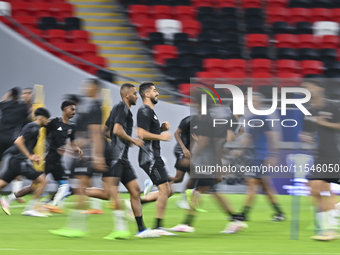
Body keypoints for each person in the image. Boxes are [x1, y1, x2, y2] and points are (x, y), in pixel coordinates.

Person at [85, 83, 160, 239]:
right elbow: (117, 130)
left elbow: (106, 130)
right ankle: (76, 191)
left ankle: (141, 229)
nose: (136, 96)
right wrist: (131, 139)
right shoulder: (122, 108)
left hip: (122, 158)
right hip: (115, 158)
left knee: (135, 191)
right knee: (109, 194)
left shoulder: (120, 109)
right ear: (126, 95)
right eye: (134, 93)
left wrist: (119, 141)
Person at [50, 78, 107, 237]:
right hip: (84, 154)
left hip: (87, 155)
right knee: (84, 189)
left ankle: (75, 227)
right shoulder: (91, 107)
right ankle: (76, 226)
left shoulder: (95, 108)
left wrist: (97, 156)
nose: (84, 87)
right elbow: (87, 135)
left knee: (81, 189)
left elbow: (95, 134)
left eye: (87, 85)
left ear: (94, 88)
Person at [233, 92, 284, 222]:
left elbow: (273, 137)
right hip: (254, 156)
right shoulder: (251, 119)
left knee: (251, 182)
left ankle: (244, 214)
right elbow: (248, 138)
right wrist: (238, 148)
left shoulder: (264, 118)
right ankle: (279, 212)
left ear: (259, 103)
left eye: (253, 101)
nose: (249, 103)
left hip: (261, 157)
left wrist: (273, 155)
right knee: (265, 187)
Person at [300, 79, 340, 241]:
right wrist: (306, 136)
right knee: (314, 190)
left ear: (320, 88)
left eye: (309, 87)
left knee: (321, 188)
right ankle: (328, 226)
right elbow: (308, 131)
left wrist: (324, 123)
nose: (306, 90)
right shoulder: (308, 110)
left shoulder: (333, 105)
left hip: (336, 153)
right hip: (320, 154)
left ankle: (329, 229)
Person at [136, 82, 175, 235]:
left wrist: (160, 129)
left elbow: (147, 134)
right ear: (147, 94)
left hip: (153, 156)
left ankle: (138, 203)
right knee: (165, 189)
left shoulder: (150, 112)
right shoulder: (144, 111)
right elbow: (140, 133)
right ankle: (158, 227)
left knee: (168, 190)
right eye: (154, 90)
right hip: (149, 157)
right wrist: (161, 136)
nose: (157, 93)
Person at [0, 107, 50, 217]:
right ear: (41, 118)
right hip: (19, 160)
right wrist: (29, 156)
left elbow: (26, 144)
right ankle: (31, 209)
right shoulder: (34, 127)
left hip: (15, 160)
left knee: (2, 184)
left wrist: (33, 157)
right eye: (47, 119)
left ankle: (7, 201)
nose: (48, 121)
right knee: (43, 181)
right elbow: (18, 141)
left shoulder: (33, 127)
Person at [41, 100, 82, 213]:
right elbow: (42, 135)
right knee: (36, 184)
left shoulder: (71, 126)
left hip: (58, 162)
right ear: (65, 109)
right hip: (48, 159)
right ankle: (11, 198)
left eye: (75, 109)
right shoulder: (54, 122)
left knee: (64, 187)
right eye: (72, 109)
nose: (74, 111)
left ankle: (53, 206)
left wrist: (77, 149)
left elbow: (73, 142)